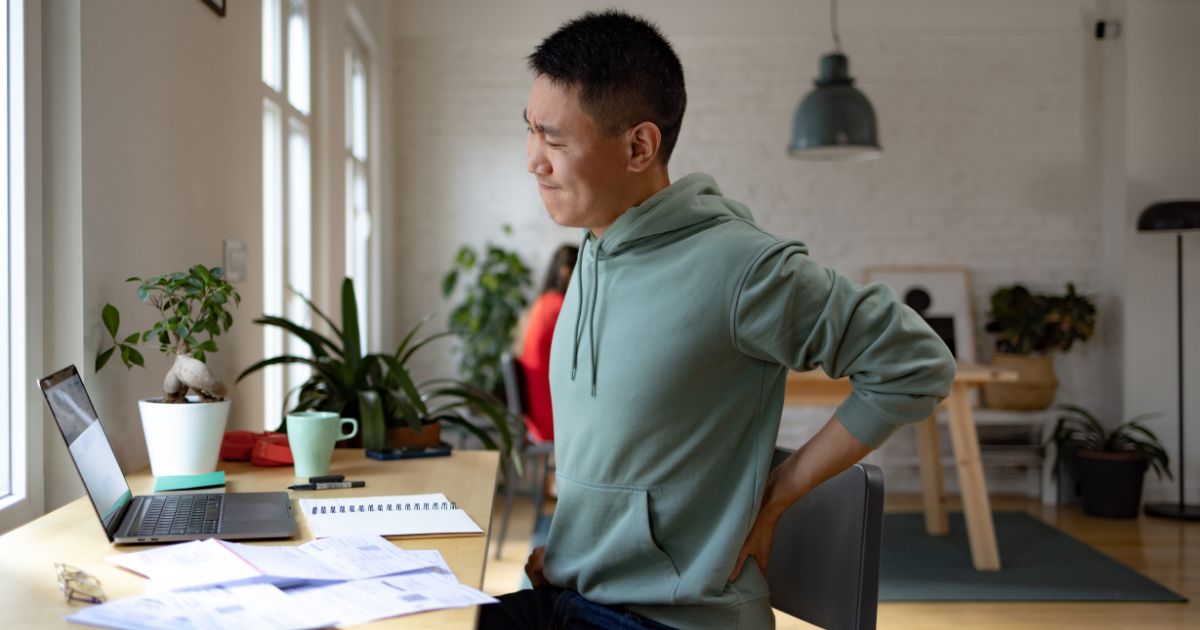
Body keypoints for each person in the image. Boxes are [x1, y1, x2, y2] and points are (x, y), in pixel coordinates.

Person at [479, 10, 956, 630]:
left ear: (639, 146)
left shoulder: (742, 268)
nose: (533, 161)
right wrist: (577, 548)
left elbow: (914, 363)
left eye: (555, 139)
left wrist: (780, 492)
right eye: (530, 131)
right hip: (577, 588)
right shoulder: (599, 246)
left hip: (672, 618)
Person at [519, 244, 579, 444]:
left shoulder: (542, 303)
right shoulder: (559, 307)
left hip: (537, 414)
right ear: (567, 272)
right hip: (551, 419)